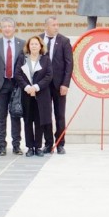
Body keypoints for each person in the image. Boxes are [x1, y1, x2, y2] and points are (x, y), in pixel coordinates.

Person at [0, 17, 25, 156]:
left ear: (14, 28)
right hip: (0, 85)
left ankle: (16, 145)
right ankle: (2, 145)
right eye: (4, 26)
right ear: (1, 29)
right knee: (0, 116)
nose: (7, 29)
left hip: (16, 85)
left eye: (10, 26)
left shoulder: (22, 43)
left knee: (16, 115)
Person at [16, 36, 53, 157]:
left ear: (41, 46)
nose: (34, 46)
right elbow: (18, 74)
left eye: (36, 44)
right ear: (28, 46)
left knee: (39, 121)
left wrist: (36, 87)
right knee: (27, 121)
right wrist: (27, 87)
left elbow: (49, 76)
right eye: (31, 44)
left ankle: (37, 147)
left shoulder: (46, 59)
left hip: (41, 95)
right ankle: (30, 147)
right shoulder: (22, 58)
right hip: (26, 95)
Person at [40, 16, 73, 154]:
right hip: (43, 85)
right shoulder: (38, 40)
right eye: (53, 25)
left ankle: (60, 143)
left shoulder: (64, 41)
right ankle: (48, 143)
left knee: (60, 115)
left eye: (57, 24)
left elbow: (69, 64)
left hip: (59, 85)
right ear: (46, 26)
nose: (56, 27)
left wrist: (65, 84)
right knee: (45, 114)